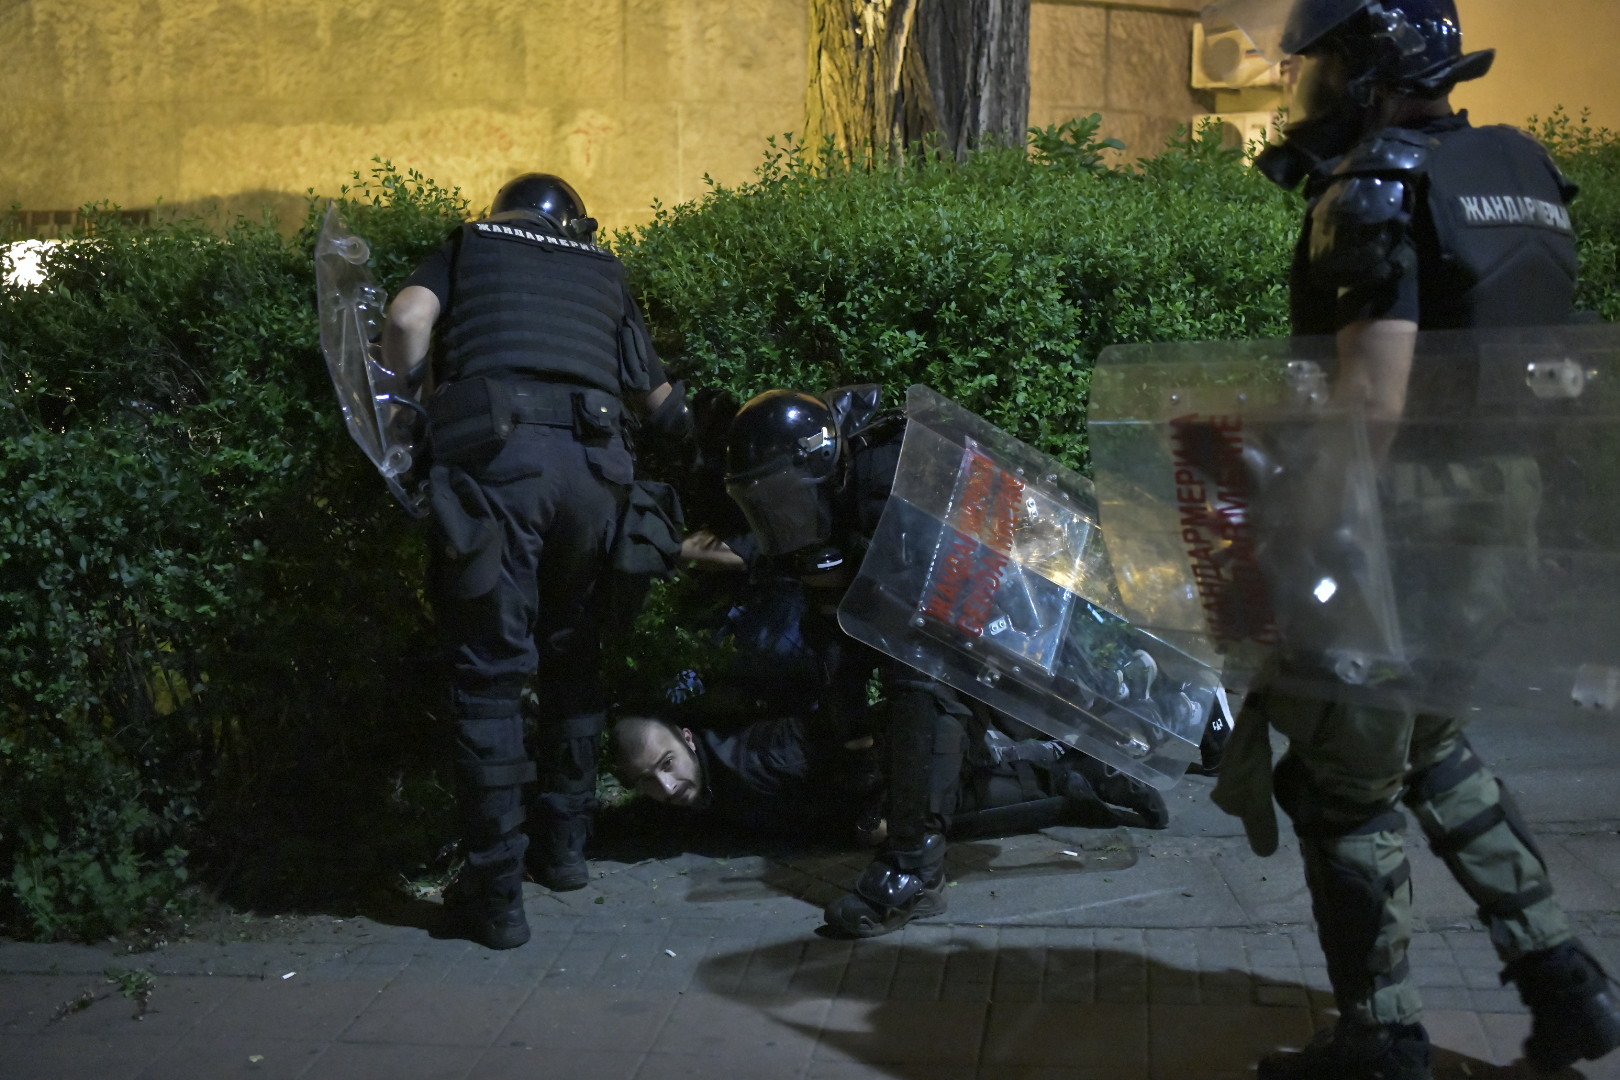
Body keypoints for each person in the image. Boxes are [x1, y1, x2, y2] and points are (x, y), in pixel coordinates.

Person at [1207, 2, 1620, 1076]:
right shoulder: (1516, 170)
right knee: (1433, 750)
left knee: (1344, 785)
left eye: (1319, 64)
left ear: (1366, 67)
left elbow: (1375, 400)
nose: (1303, 90)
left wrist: (1299, 533)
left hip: (1400, 520)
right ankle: (1567, 986)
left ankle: (1378, 1038)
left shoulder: (1378, 185)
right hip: (1498, 511)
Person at [381, 173, 692, 950]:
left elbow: (407, 319)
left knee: (489, 673)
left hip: (499, 467)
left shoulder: (470, 245)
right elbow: (658, 401)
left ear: (503, 214)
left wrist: (405, 400)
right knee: (573, 653)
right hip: (594, 474)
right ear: (576, 223)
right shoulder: (602, 269)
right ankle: (566, 854)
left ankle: (494, 896)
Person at [610, 706, 1168, 842]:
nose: (665, 787)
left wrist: (871, 818)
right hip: (887, 784)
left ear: (685, 741)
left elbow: (861, 758)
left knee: (964, 801)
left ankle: (1094, 773)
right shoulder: (714, 779)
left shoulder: (755, 760)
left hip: (900, 773)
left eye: (665, 765)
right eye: (645, 781)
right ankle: (1076, 777)